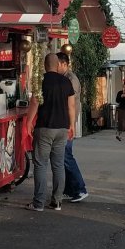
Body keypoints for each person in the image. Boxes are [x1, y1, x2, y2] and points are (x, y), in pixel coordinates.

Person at [25, 52, 77, 211]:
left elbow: (34, 102)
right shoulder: (67, 82)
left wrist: (28, 122)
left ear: (45, 65)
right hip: (62, 128)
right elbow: (71, 106)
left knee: (40, 164)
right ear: (57, 65)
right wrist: (72, 125)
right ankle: (57, 201)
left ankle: (38, 203)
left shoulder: (40, 81)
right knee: (58, 165)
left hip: (45, 127)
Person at [58, 52, 89, 203]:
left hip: (67, 123)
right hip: (66, 122)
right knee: (65, 157)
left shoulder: (71, 79)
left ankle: (80, 188)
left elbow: (70, 103)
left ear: (64, 64)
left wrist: (71, 125)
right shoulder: (65, 78)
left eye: (57, 64)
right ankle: (70, 190)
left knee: (66, 157)